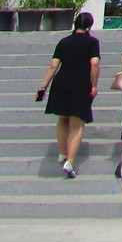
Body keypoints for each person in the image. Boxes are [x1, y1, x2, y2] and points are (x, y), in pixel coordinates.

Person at [36, 11, 98, 178]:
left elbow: (53, 65)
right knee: (77, 124)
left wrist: (43, 87)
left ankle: (62, 153)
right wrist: (94, 85)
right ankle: (70, 161)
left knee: (62, 119)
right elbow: (94, 63)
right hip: (80, 85)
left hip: (61, 83)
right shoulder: (92, 42)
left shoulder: (64, 42)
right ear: (89, 26)